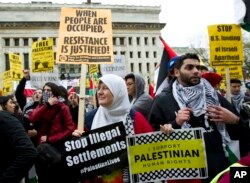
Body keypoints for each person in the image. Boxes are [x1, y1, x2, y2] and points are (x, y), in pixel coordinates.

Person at [149, 53, 249, 183]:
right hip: (186, 174)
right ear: (177, 72)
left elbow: (242, 133)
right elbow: (151, 140)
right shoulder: (163, 100)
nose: (196, 71)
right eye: (190, 67)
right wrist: (175, 123)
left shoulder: (214, 96)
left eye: (197, 67)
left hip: (219, 169)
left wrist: (234, 120)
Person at [73, 74, 153, 183]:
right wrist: (77, 141)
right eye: (99, 88)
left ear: (118, 92)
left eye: (106, 88)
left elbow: (151, 148)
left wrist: (168, 132)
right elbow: (82, 160)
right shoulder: (89, 119)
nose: (100, 92)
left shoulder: (135, 118)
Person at [28, 82, 76, 183]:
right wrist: (47, 105)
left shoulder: (63, 107)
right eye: (44, 90)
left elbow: (70, 129)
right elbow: (32, 118)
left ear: (55, 92)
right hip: (42, 150)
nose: (46, 92)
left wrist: (50, 138)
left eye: (49, 90)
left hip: (57, 149)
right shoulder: (42, 106)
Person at [0, 95, 37, 183]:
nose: (14, 105)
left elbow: (29, 152)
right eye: (11, 103)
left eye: (14, 102)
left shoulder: (7, 119)